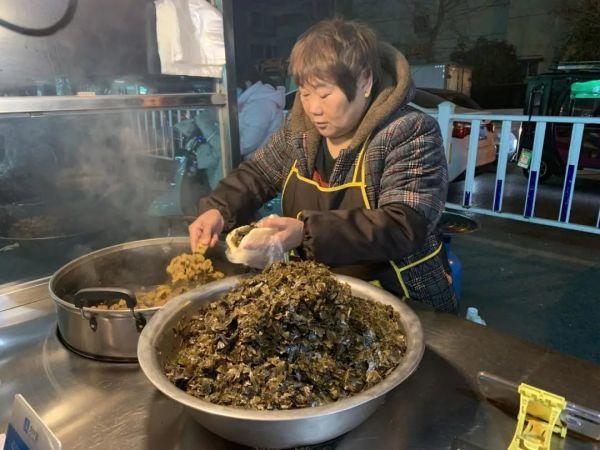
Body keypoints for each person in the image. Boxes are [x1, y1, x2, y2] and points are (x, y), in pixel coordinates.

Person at [189, 19, 457, 313]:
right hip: (322, 296)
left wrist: (305, 233)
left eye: (325, 94)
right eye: (305, 93)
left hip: (400, 298)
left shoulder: (408, 131)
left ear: (364, 81)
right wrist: (218, 207)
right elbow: (258, 173)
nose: (313, 107)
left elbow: (403, 224)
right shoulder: (300, 132)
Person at [237, 70, 286, 159]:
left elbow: (247, 144)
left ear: (247, 83)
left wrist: (223, 146)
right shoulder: (259, 100)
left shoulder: (259, 104)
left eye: (237, 87)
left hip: (260, 165)